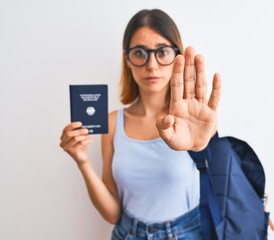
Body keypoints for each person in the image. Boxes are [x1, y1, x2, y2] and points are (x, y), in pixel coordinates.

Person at [60, 9, 221, 240]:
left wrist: (251, 211)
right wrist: (82, 161)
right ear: (127, 59)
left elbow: (224, 183)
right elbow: (113, 214)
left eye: (162, 52)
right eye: (140, 53)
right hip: (128, 234)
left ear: (177, 56)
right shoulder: (113, 123)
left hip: (189, 233)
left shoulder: (195, 120)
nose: (152, 65)